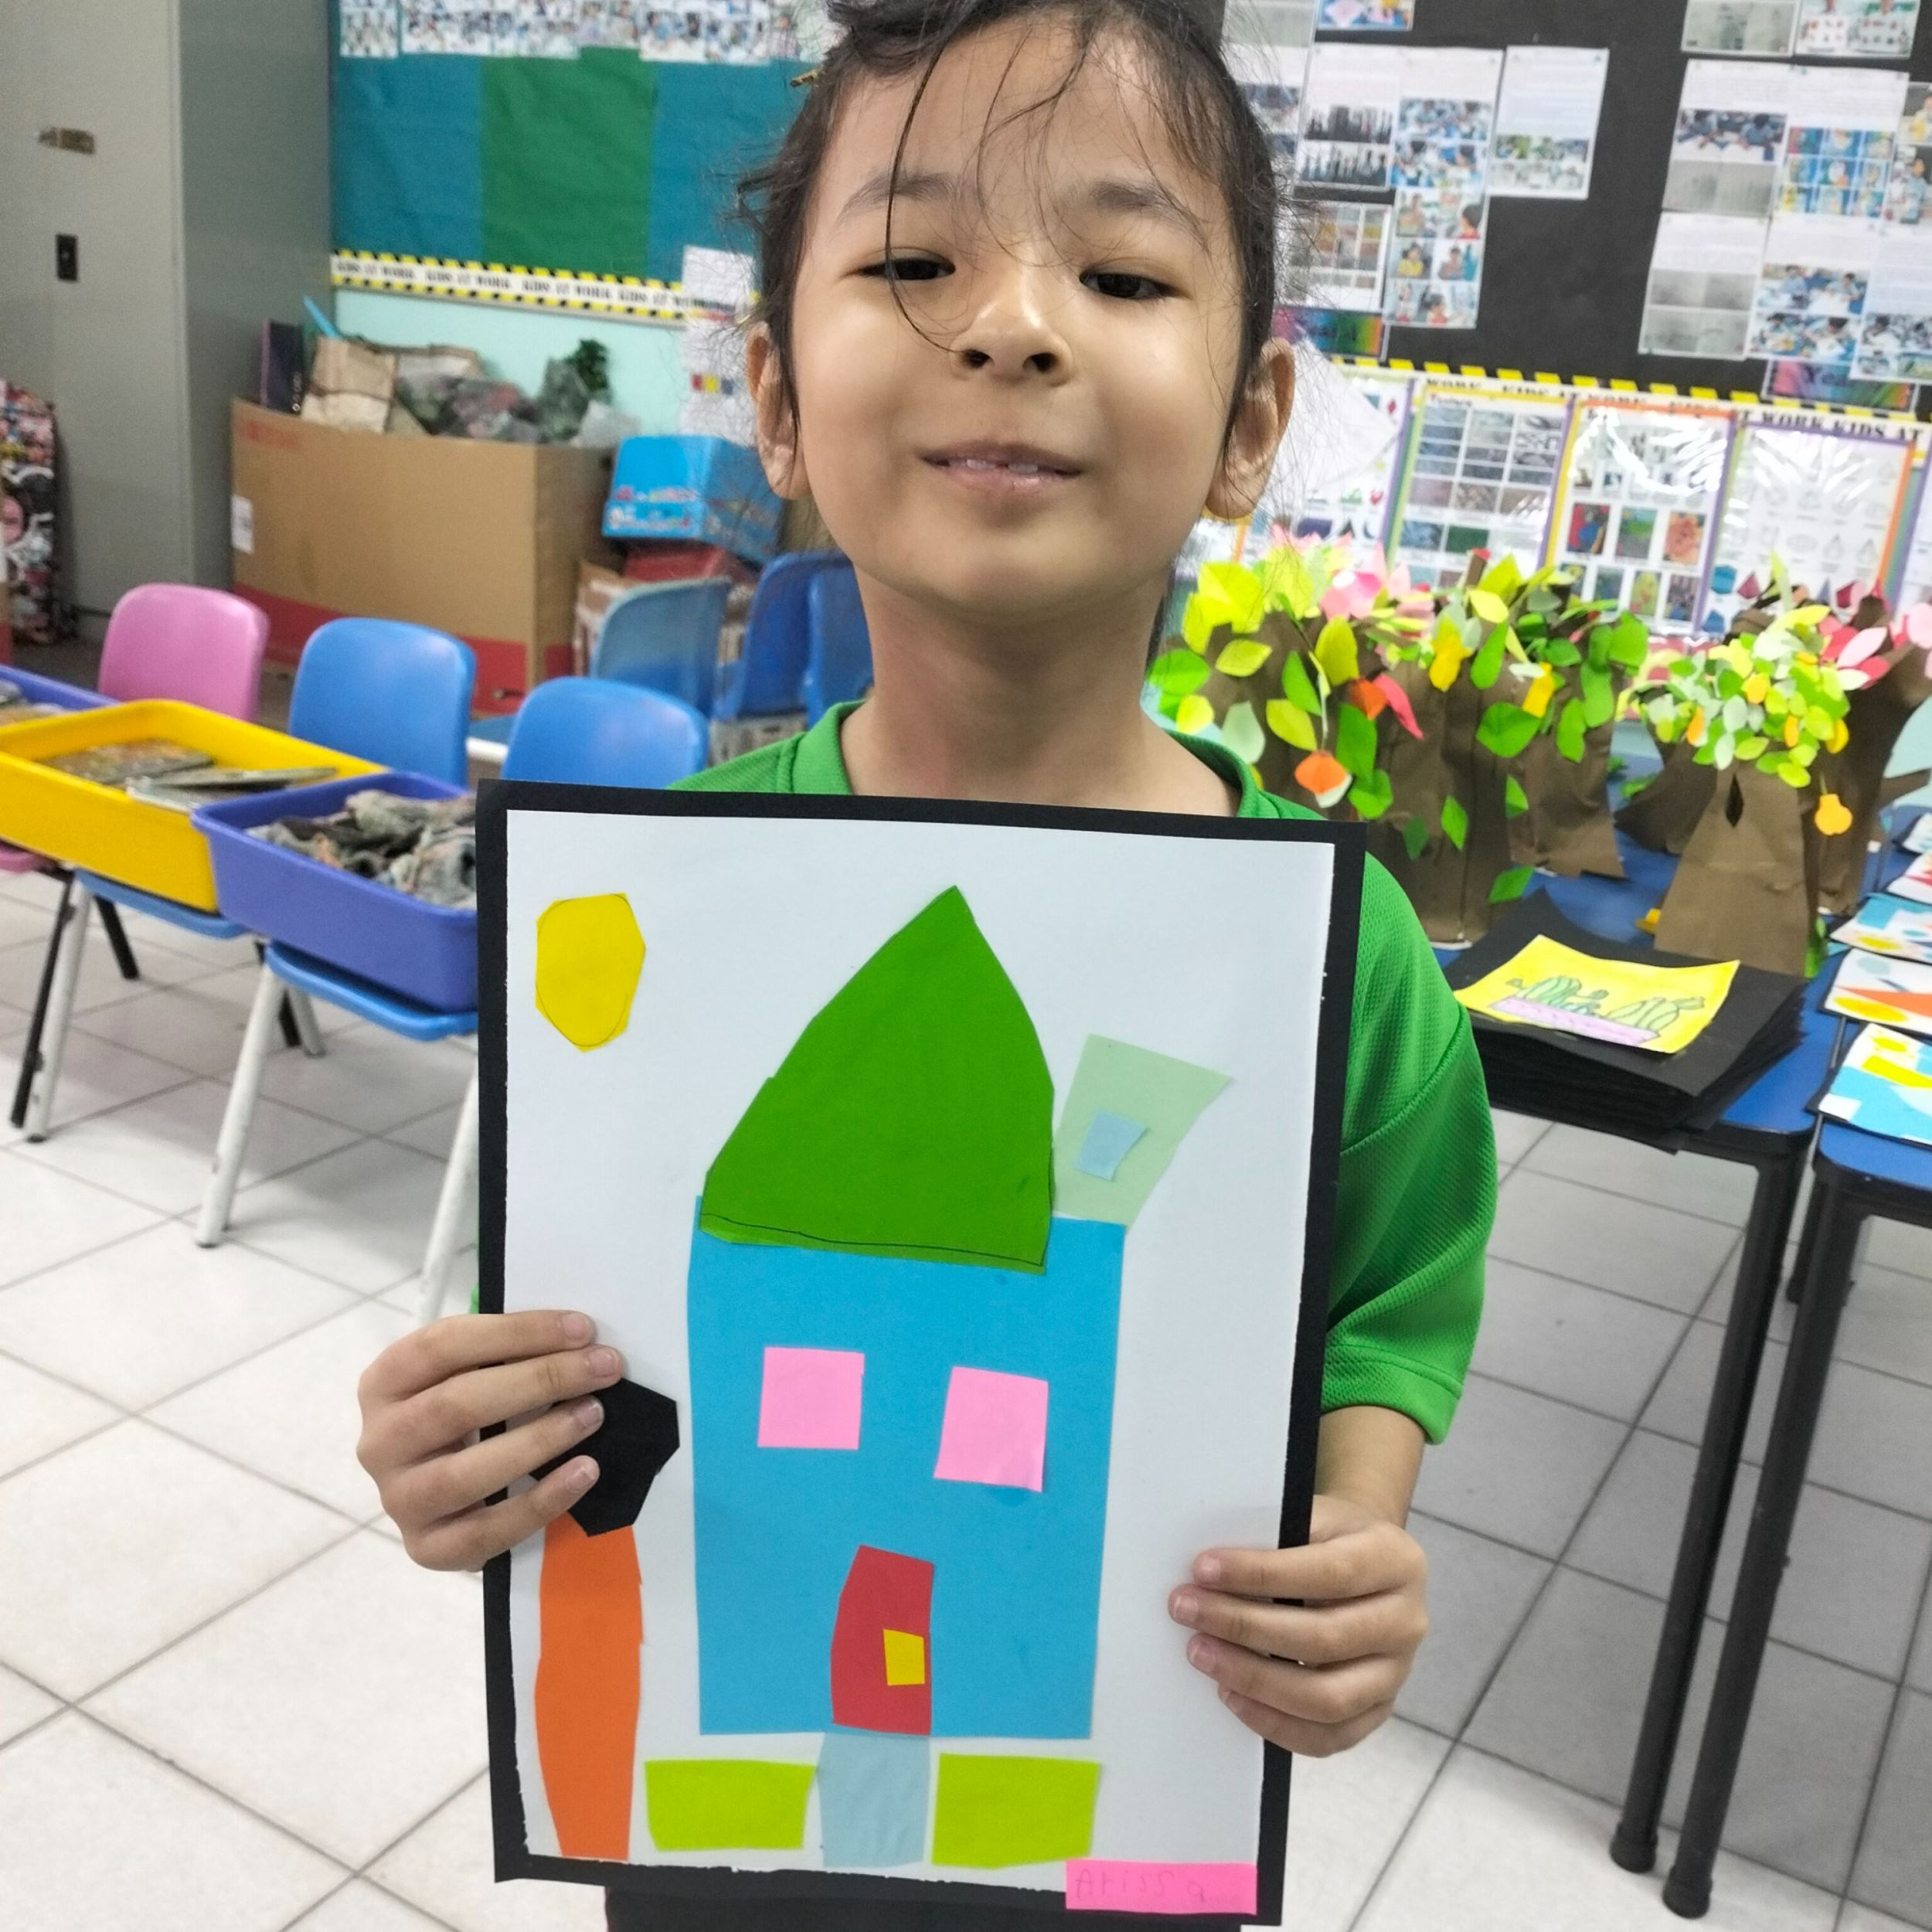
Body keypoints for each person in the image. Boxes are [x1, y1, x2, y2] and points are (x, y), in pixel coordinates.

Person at [355, 0, 1494, 1922]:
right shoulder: (661, 909)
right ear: (775, 395)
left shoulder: (1331, 943)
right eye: (911, 263)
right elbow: (578, 1310)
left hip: (1121, 1799)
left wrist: (1349, 1539)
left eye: (1119, 273)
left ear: (1247, 426)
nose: (1013, 326)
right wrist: (463, 1445)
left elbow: (1393, 1294)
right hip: (717, 1854)